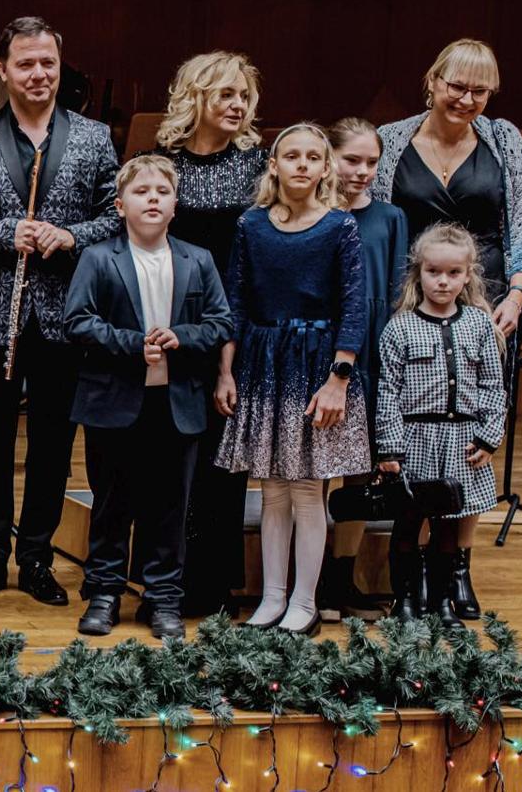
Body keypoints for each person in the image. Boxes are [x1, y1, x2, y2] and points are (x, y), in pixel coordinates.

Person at [0, 16, 120, 605]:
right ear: (3, 70)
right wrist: (4, 232)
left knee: (52, 445)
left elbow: (114, 216)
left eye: (48, 63)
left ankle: (37, 558)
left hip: (66, 314)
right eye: (26, 63)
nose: (39, 73)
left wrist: (69, 236)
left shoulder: (94, 137)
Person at [370, 39, 522, 620]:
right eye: (457, 86)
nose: (466, 99)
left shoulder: (503, 139)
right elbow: (374, 219)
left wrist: (516, 295)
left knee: (470, 431)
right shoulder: (392, 139)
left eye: (480, 90)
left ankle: (457, 565)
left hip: (486, 299)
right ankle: (412, 565)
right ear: (433, 81)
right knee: (415, 423)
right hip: (410, 299)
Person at [63, 155, 233, 640]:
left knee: (169, 506)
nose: (153, 199)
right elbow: (77, 321)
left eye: (162, 192)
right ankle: (104, 593)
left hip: (176, 404)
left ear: (176, 205)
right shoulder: (99, 258)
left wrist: (182, 336)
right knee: (111, 503)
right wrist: (131, 344)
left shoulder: (198, 259)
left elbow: (221, 322)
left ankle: (163, 597)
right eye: (141, 192)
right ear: (120, 205)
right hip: (114, 402)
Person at [214, 123, 371, 636]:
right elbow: (236, 301)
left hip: (318, 364)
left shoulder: (340, 226)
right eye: (291, 156)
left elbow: (354, 305)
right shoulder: (251, 225)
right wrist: (226, 370)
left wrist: (339, 378)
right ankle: (272, 598)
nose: (302, 164)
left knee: (307, 488)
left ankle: (304, 602)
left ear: (325, 168)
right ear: (274, 165)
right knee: (273, 488)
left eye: (312, 157)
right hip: (264, 362)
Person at [148, 51, 268, 618]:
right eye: (226, 94)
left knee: (224, 459)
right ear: (195, 96)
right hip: (169, 320)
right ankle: (162, 583)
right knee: (166, 459)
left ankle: (213, 585)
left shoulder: (259, 166)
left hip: (234, 323)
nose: (238, 105)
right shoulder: (159, 163)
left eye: (244, 96)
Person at [375, 224, 506, 626]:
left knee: (448, 527)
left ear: (468, 275)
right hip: (414, 440)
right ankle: (406, 601)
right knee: (408, 523)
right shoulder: (399, 327)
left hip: (462, 442)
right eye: (434, 272)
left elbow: (493, 385)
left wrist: (488, 437)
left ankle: (442, 602)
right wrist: (390, 447)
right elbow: (387, 392)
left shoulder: (479, 325)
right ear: (419, 273)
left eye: (453, 273)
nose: (443, 281)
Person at [322, 117, 411, 619]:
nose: (361, 171)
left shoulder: (391, 217)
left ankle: (341, 579)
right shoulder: (312, 213)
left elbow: (399, 292)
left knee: (358, 469)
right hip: (322, 344)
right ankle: (305, 578)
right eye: (351, 159)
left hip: (374, 349)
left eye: (371, 162)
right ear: (329, 157)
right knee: (312, 470)